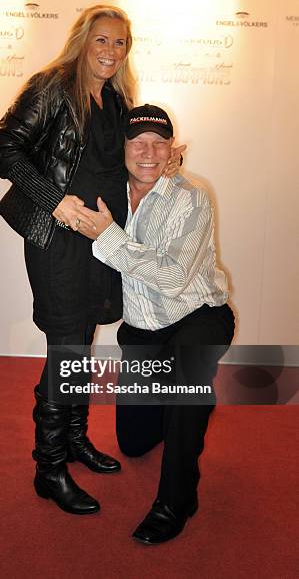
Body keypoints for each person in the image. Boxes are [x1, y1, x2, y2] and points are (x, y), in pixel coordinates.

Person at [0, 6, 184, 516]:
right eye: (101, 41)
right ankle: (48, 467)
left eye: (120, 43)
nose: (110, 52)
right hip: (57, 237)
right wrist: (54, 200)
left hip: (102, 238)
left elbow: (121, 162)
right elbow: (4, 149)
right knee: (65, 346)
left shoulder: (117, 99)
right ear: (82, 40)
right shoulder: (53, 85)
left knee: (82, 341)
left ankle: (74, 439)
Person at [77, 104, 235, 543]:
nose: (148, 152)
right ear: (122, 149)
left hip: (196, 317)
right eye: (137, 142)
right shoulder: (109, 193)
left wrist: (108, 237)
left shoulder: (192, 194)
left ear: (172, 149)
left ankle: (176, 501)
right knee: (134, 441)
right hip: (144, 331)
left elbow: (172, 276)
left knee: (188, 386)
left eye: (158, 143)